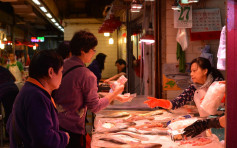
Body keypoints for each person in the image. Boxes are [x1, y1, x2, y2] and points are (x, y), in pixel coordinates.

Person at [54, 30, 129, 148]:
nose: (94, 53)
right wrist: (114, 93)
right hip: (72, 130)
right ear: (83, 50)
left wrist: (111, 95)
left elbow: (77, 94)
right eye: (93, 49)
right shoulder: (86, 75)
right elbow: (95, 107)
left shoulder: (60, 65)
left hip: (54, 125)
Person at [7, 50, 70, 148]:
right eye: (61, 71)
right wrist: (64, 137)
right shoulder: (36, 96)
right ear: (51, 72)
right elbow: (44, 140)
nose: (62, 76)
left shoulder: (30, 90)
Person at [144, 57, 224, 117]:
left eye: (194, 71)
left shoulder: (218, 84)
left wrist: (212, 98)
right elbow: (176, 103)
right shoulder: (193, 88)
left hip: (222, 124)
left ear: (205, 71)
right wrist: (160, 103)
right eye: (191, 71)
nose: (191, 74)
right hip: (205, 123)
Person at [0, 66, 19, 138]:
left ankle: (9, 134)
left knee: (8, 113)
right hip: (14, 89)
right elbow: (14, 78)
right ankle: (16, 133)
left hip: (4, 92)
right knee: (14, 112)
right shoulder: (3, 69)